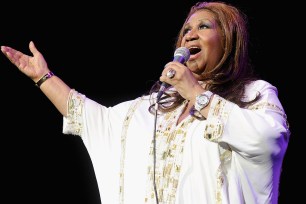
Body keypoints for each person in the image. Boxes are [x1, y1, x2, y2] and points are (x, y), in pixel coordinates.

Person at [1, 1, 290, 204]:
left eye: (204, 26)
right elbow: (93, 119)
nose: (190, 34)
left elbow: (268, 139)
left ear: (228, 41)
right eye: (186, 30)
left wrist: (195, 92)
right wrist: (43, 77)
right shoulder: (153, 108)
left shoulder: (252, 95)